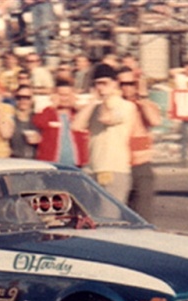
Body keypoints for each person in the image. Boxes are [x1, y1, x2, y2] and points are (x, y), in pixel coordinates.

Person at [72, 63, 137, 202]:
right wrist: (93, 101)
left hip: (114, 169)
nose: (100, 87)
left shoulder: (126, 106)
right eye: (97, 84)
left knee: (110, 215)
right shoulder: (95, 107)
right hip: (92, 168)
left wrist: (106, 97)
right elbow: (76, 126)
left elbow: (106, 118)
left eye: (104, 83)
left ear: (114, 84)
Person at [119, 66, 162, 221]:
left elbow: (155, 120)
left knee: (143, 215)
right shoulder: (113, 105)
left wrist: (142, 97)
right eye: (122, 84)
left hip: (140, 164)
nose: (126, 88)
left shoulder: (145, 104)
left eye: (130, 83)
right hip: (118, 164)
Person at [32, 78, 89, 167]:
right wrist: (52, 106)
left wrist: (78, 108)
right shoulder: (48, 112)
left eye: (68, 95)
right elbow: (39, 122)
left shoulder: (79, 115)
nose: (65, 98)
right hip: (52, 163)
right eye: (61, 95)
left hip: (77, 164)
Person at [10, 85, 40, 159]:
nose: (23, 101)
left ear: (32, 100)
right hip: (13, 161)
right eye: (19, 97)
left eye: (27, 98)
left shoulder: (39, 118)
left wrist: (40, 139)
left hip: (35, 162)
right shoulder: (9, 118)